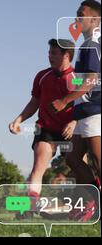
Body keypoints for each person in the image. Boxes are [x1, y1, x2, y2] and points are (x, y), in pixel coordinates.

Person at [9, 39, 77, 218]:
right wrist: (19, 120)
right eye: (49, 52)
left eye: (54, 53)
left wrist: (74, 122)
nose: (49, 56)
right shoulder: (42, 76)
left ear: (66, 55)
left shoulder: (78, 78)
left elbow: (84, 105)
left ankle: (78, 206)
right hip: (46, 128)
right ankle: (30, 209)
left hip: (70, 131)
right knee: (38, 167)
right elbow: (34, 102)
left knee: (78, 167)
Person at [51, 0, 101, 221]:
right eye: (76, 14)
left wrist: (64, 101)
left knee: (98, 162)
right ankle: (92, 200)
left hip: (95, 109)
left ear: (95, 19)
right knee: (72, 158)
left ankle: (93, 203)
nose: (77, 18)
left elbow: (90, 80)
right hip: (84, 111)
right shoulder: (87, 43)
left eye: (81, 14)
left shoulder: (92, 45)